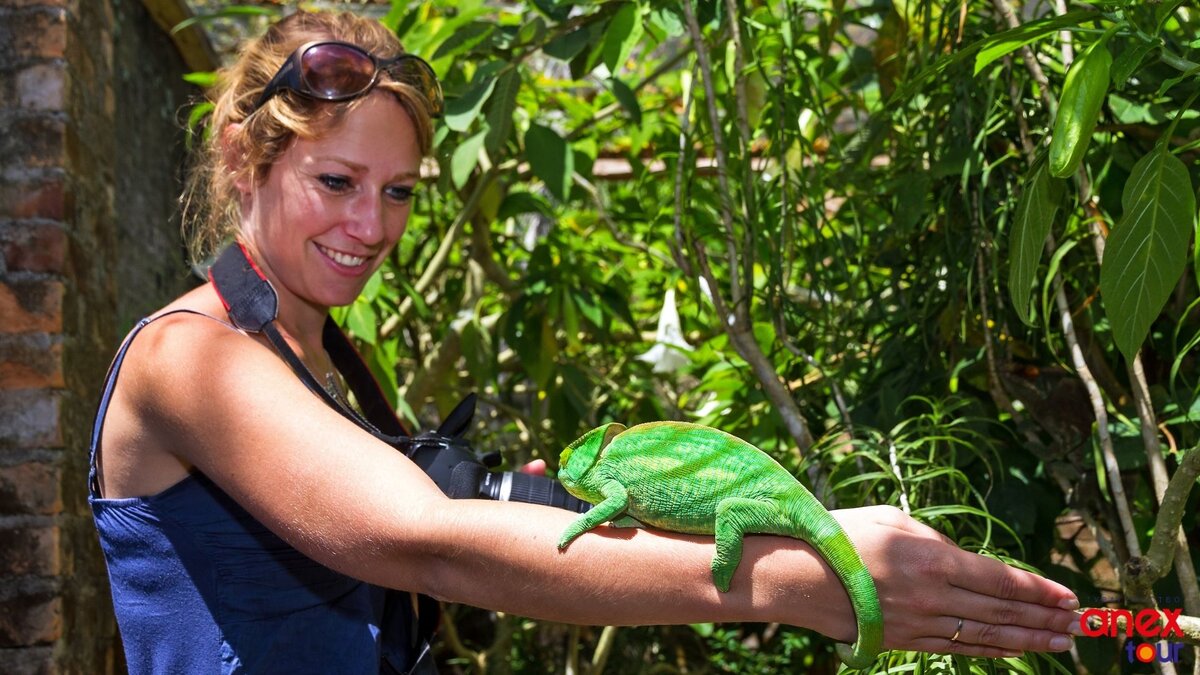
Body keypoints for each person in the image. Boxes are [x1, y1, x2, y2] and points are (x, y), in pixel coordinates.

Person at [88, 9, 1083, 674]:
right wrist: (798, 581)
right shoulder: (194, 357)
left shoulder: (320, 359)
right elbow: (417, 539)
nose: (372, 225)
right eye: (336, 183)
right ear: (241, 160)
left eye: (397, 192)